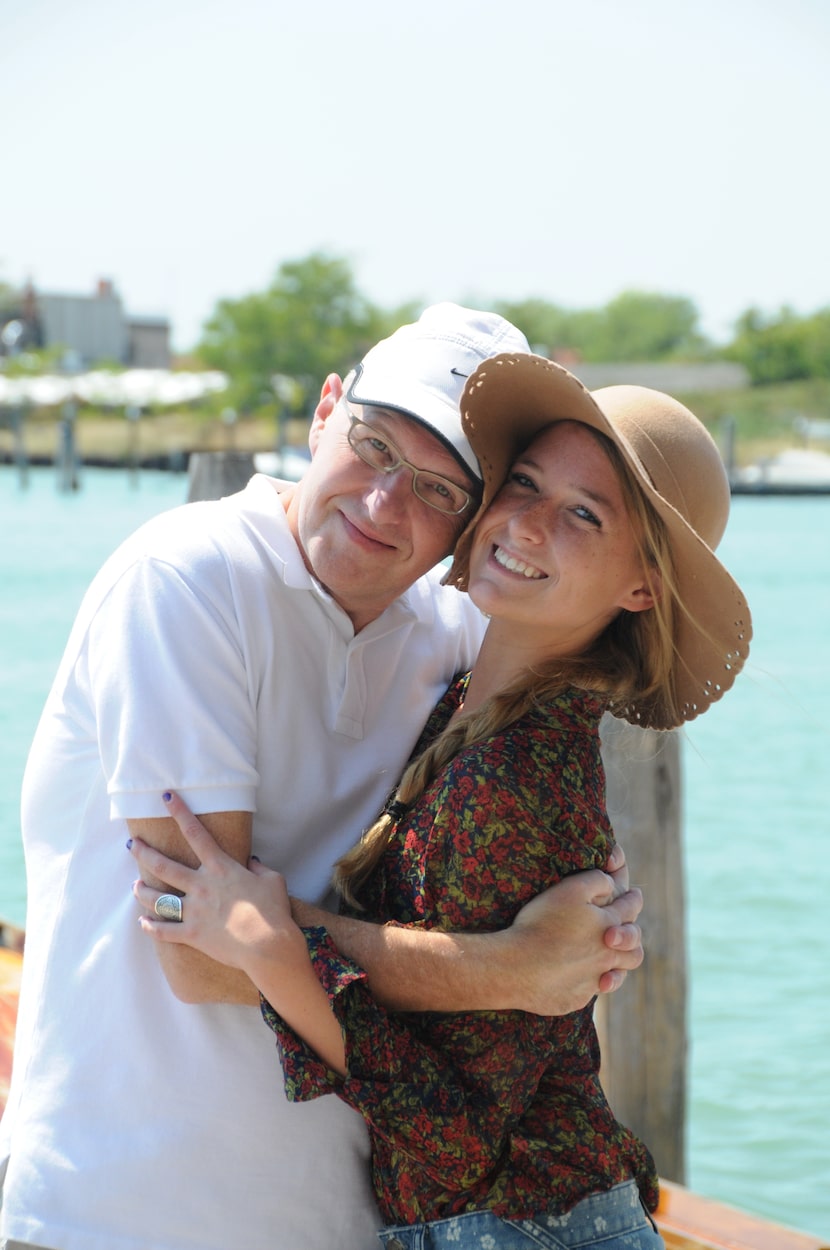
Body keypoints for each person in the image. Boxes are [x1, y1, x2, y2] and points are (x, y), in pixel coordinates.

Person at [0, 308, 645, 1250]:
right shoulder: (187, 578)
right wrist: (509, 967)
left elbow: (550, 873)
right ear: (324, 411)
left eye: (437, 488)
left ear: (471, 523)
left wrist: (593, 928)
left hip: (351, 1223)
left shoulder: (462, 635)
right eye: (374, 446)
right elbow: (202, 949)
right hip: (119, 1213)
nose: (385, 504)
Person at [129, 355, 752, 1249]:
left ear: (641, 587)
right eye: (524, 483)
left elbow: (456, 1141)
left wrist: (277, 951)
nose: (526, 524)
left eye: (583, 514)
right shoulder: (470, 705)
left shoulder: (516, 777)